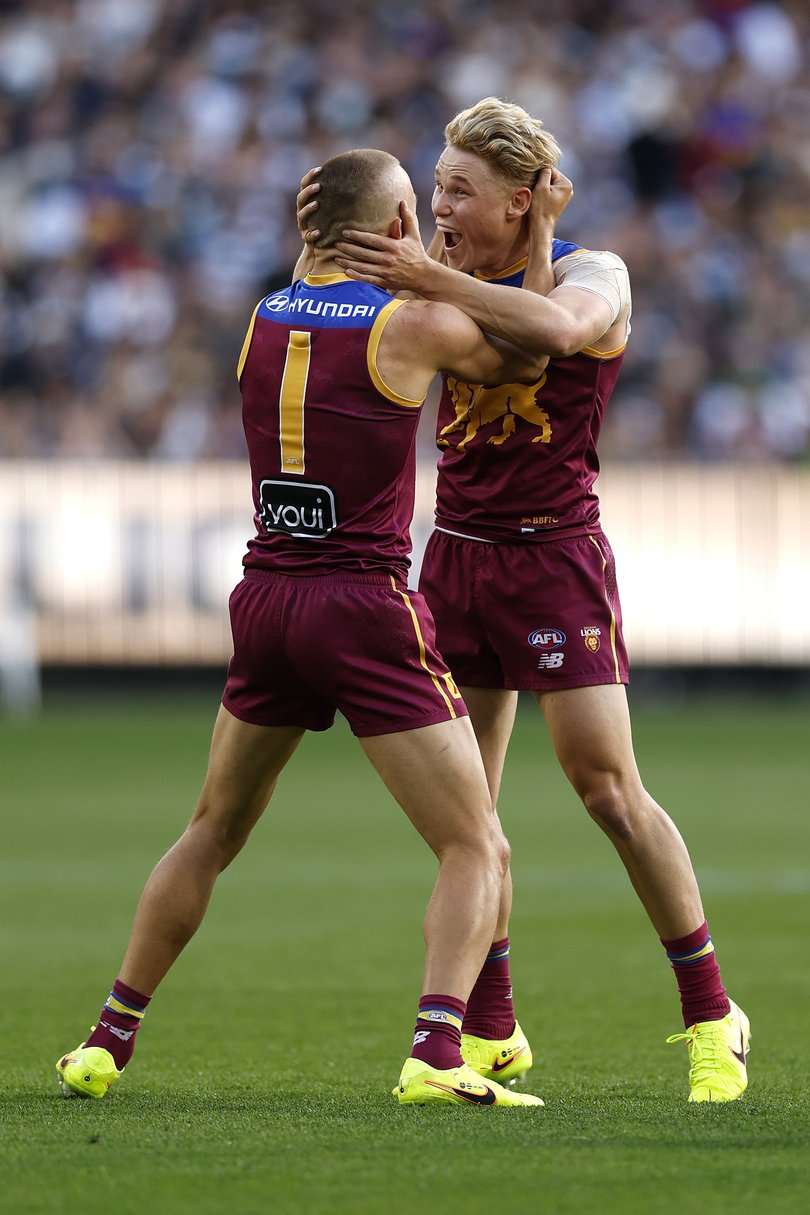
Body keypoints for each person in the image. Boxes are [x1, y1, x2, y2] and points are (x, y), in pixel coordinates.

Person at [55, 148, 547, 1109]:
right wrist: (482, 257)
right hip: (362, 607)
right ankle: (436, 1055)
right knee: (475, 843)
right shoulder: (413, 324)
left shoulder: (265, 314)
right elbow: (529, 354)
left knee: (211, 829)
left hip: (267, 599)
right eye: (418, 209)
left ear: (308, 230)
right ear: (398, 227)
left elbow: (319, 273)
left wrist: (333, 234)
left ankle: (106, 1040)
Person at [300, 97, 751, 1104]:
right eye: (434, 187)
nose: (438, 206)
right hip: (456, 559)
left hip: (554, 559)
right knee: (472, 817)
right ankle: (491, 1026)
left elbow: (551, 334)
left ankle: (713, 1012)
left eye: (459, 190)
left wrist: (433, 272)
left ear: (518, 201)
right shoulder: (434, 286)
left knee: (607, 792)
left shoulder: (598, 273)